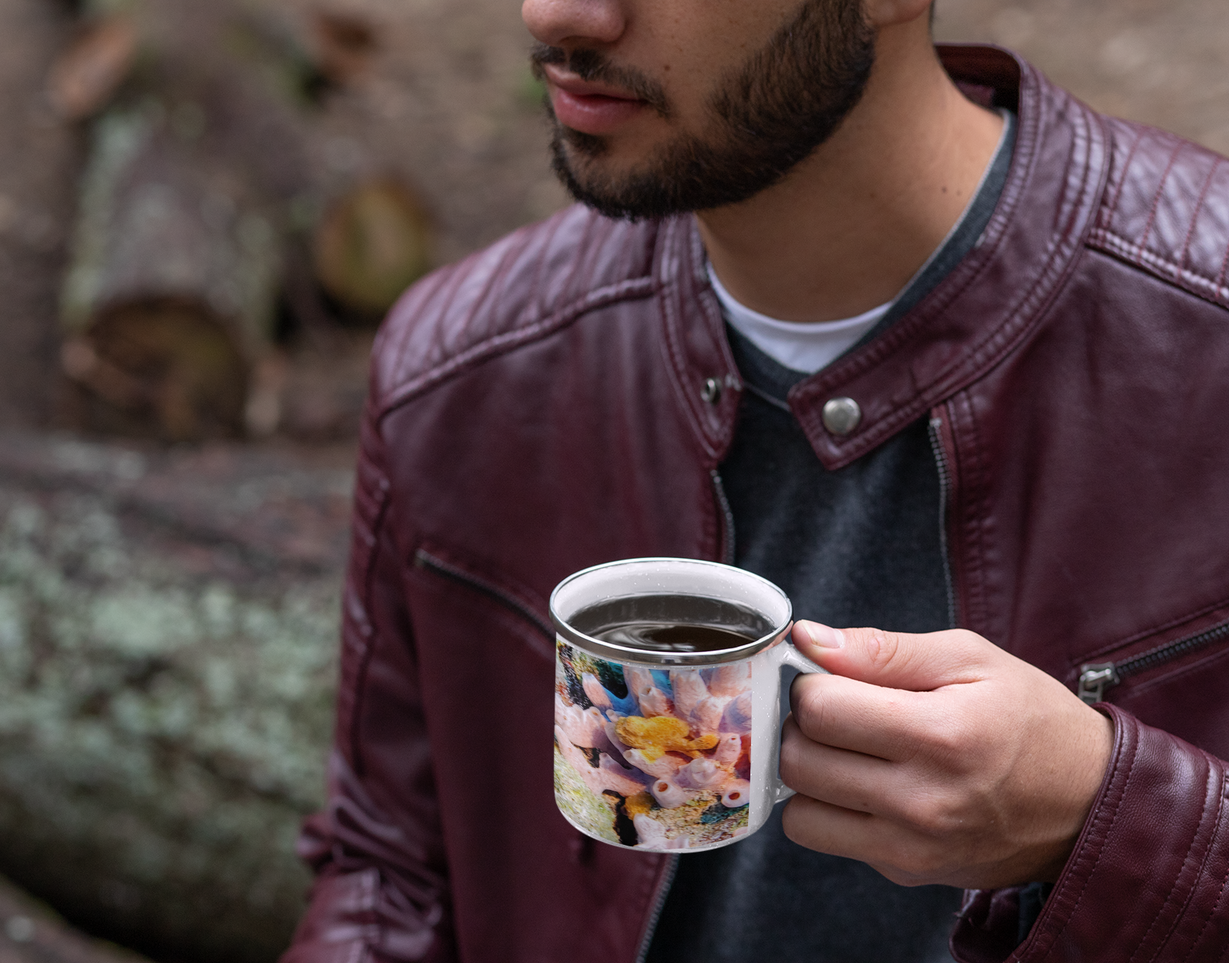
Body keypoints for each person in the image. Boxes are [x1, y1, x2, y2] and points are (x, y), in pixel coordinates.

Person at [283, 0, 1229, 958]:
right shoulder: (459, 373)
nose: (556, 12)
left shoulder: (1202, 338)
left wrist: (1109, 815)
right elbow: (391, 877)